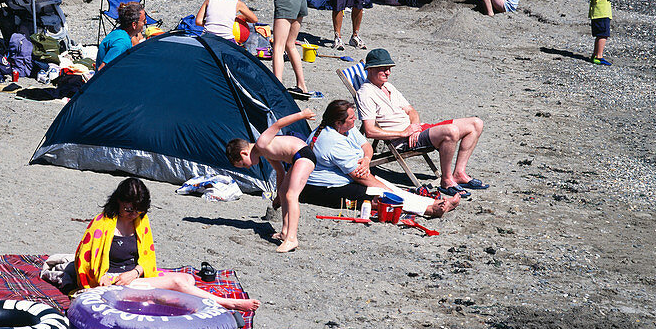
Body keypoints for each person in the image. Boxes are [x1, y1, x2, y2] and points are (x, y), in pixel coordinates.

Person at [74, 177, 259, 310]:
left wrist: (135, 272)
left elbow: (147, 256)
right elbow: (86, 258)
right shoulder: (103, 224)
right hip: (114, 280)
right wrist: (104, 278)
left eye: (139, 210)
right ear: (118, 201)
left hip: (134, 277)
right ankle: (226, 303)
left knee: (188, 279)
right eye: (128, 209)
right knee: (178, 281)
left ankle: (155, 296)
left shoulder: (140, 221)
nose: (133, 214)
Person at [355, 48, 487, 197]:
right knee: (451, 131)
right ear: (370, 69)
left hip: (417, 131)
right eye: (384, 69)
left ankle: (459, 173)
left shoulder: (388, 87)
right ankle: (446, 180)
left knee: (476, 123)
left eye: (389, 69)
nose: (388, 73)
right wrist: (404, 133)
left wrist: (415, 128)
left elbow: (412, 111)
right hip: (402, 140)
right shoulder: (365, 93)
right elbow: (370, 131)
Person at [301, 100, 460, 218]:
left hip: (347, 176)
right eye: (351, 118)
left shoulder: (345, 129)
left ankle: (431, 204)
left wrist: (367, 160)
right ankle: (430, 209)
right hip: (324, 189)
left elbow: (366, 146)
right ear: (338, 122)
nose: (355, 119)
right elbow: (361, 177)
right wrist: (387, 191)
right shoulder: (332, 142)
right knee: (380, 196)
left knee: (387, 188)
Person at [226, 109, 316, 252]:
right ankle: (285, 232)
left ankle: (292, 239)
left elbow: (278, 124)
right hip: (296, 159)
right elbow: (280, 172)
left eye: (243, 163)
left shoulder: (262, 143)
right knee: (284, 193)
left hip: (303, 156)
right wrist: (277, 197)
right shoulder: (265, 153)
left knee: (291, 195)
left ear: (244, 152)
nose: (247, 167)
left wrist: (302, 115)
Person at [96, 1, 144, 72]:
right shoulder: (122, 43)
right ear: (134, 25)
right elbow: (102, 70)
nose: (145, 23)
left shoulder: (120, 31)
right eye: (144, 20)